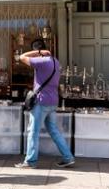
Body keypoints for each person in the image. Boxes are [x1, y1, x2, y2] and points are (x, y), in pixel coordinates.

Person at [14, 39, 76, 168]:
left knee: (33, 131)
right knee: (54, 130)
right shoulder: (55, 61)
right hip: (53, 101)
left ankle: (30, 161)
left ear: (38, 51)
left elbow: (21, 57)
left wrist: (38, 52)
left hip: (41, 101)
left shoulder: (42, 61)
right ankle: (68, 157)